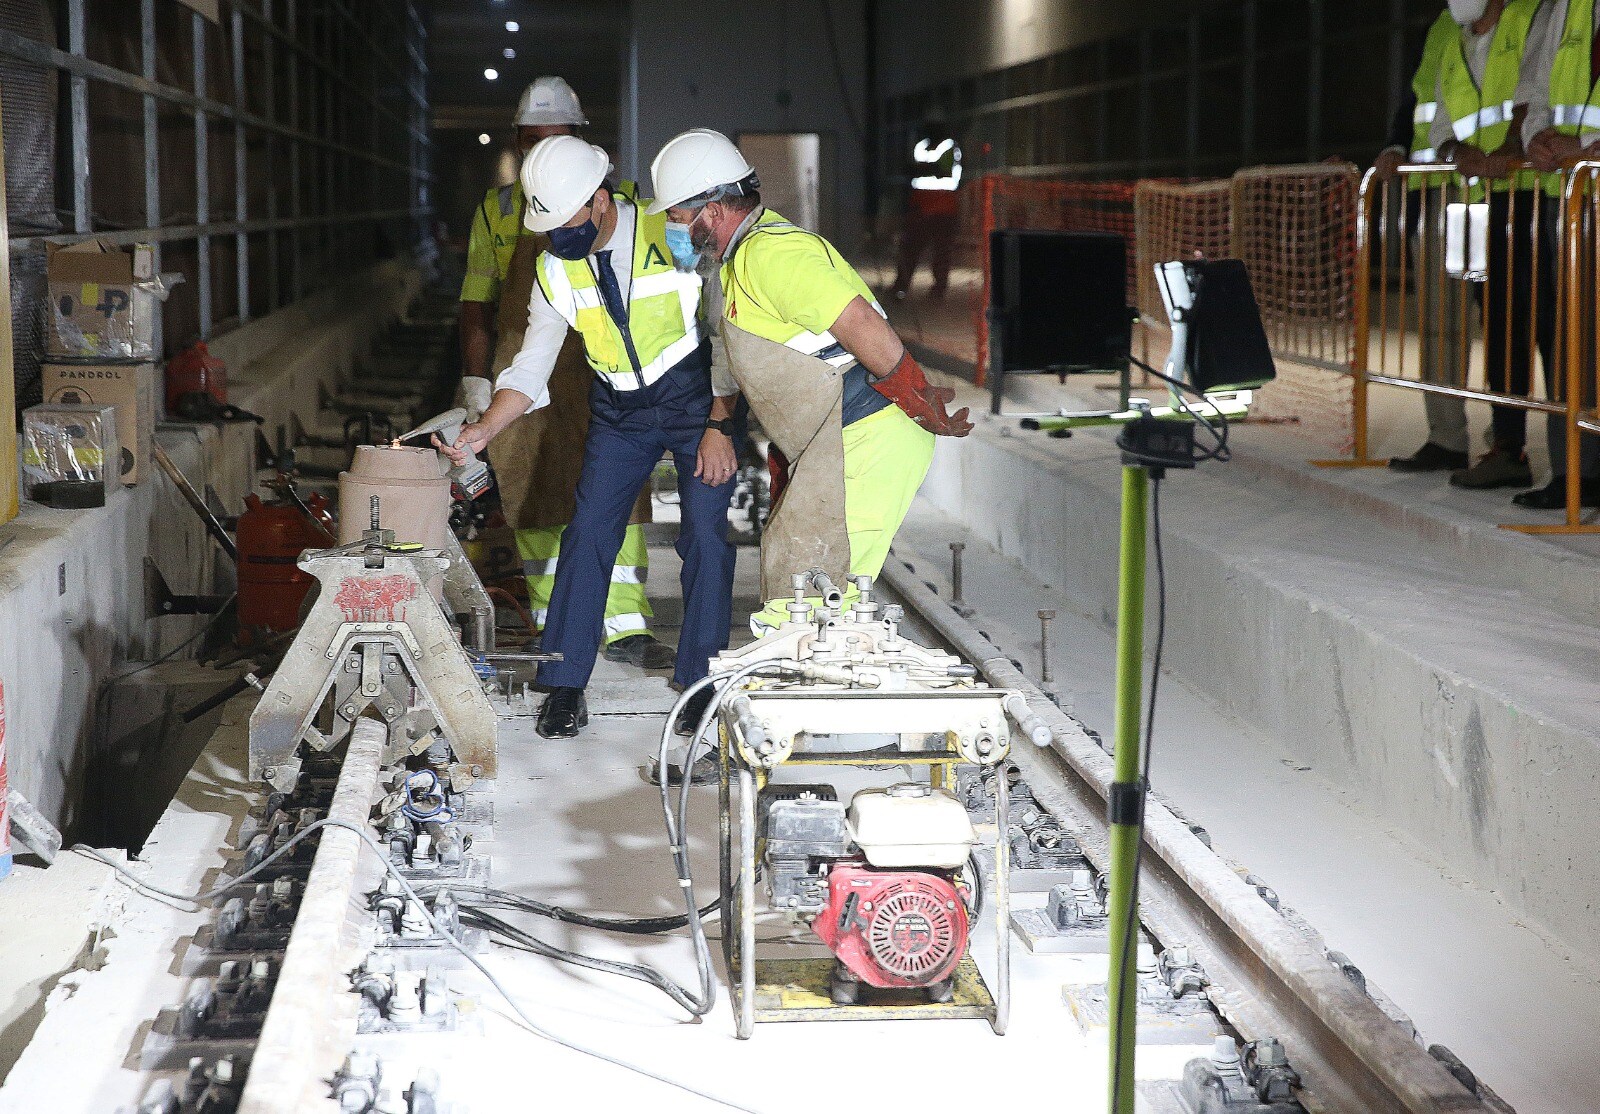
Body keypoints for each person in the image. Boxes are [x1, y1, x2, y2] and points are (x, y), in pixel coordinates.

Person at [440, 136, 737, 739]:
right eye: (547, 227)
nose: (557, 237)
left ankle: (701, 681)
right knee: (587, 535)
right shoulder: (554, 269)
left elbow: (725, 324)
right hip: (619, 409)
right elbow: (531, 365)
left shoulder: (670, 233)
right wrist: (483, 428)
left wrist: (720, 425)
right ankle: (563, 684)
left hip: (691, 396)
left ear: (601, 202)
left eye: (566, 221)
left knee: (705, 537)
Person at [648, 128, 972, 655]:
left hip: (868, 436)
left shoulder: (775, 255)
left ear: (711, 208)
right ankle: (800, 704)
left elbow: (862, 324)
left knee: (816, 594)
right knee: (795, 578)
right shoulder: (735, 264)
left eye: (677, 217)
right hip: (832, 440)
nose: (672, 229)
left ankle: (817, 714)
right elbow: (731, 357)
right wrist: (716, 423)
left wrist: (919, 399)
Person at [456, 77, 672, 671]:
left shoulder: (627, 201)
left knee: (618, 489)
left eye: (557, 139)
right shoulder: (500, 212)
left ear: (581, 141)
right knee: (531, 488)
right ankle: (557, 621)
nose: (543, 153)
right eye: (532, 142)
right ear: (517, 142)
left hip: (603, 359)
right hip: (527, 348)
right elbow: (477, 302)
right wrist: (478, 382)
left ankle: (624, 623)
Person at [1428, 0, 1551, 492]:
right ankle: (1507, 446)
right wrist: (1460, 153)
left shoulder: (1527, 18)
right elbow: (1440, 127)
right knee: (1500, 326)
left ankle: (1575, 459)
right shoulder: (1455, 42)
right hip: (1482, 206)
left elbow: (1535, 92)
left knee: (1551, 325)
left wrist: (1512, 147)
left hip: (1538, 195)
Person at [1378, 7, 1474, 474]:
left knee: (1506, 315)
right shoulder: (1437, 26)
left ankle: (1508, 442)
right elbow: (1415, 100)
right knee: (1441, 318)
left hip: (1490, 190)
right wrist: (1396, 144)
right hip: (1433, 192)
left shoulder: (1519, 17)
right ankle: (1447, 436)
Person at [1519, 0, 1600, 507]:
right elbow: (1537, 93)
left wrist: (1590, 146)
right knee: (1572, 336)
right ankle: (1577, 470)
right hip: (1573, 199)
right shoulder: (1565, 8)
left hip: (1587, 179)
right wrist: (1539, 138)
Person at [892, 108, 963, 300]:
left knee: (941, 253)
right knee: (909, 249)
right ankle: (901, 286)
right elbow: (911, 170)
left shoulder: (949, 146)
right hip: (920, 206)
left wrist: (922, 169)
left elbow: (944, 171)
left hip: (943, 208)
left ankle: (939, 289)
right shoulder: (921, 146)